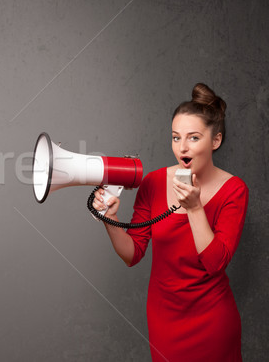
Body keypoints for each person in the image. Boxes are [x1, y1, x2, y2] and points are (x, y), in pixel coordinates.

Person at [92, 83, 249, 362]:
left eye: (194, 138)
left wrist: (195, 208)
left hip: (213, 322)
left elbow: (215, 264)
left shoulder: (234, 189)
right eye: (176, 138)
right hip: (165, 321)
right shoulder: (152, 182)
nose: (182, 148)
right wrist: (110, 218)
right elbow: (133, 254)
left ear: (216, 141)